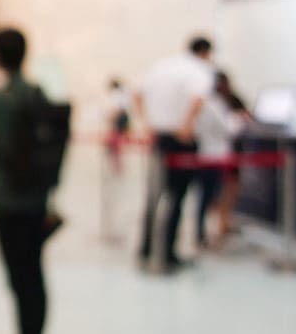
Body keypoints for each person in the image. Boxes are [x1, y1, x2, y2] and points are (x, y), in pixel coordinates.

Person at [0, 29, 52, 334]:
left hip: (7, 198)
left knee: (17, 273)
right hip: (37, 196)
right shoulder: (36, 92)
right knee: (33, 270)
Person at [135, 36, 214, 272]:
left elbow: (137, 93)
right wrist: (187, 126)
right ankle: (167, 253)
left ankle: (147, 248)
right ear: (204, 52)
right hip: (180, 139)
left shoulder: (162, 66)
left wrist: (146, 123)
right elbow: (198, 99)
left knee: (154, 196)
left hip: (159, 136)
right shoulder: (198, 70)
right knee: (176, 197)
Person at [193, 71, 248, 248]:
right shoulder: (212, 104)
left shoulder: (211, 103)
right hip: (213, 156)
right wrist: (239, 120)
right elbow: (228, 128)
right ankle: (203, 231)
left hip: (212, 154)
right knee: (210, 195)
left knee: (211, 194)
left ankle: (213, 228)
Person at [105, 78, 130, 175]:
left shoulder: (116, 94)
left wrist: (110, 119)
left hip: (120, 120)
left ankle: (117, 166)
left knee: (115, 144)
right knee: (117, 144)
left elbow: (117, 109)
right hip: (123, 119)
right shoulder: (123, 93)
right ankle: (118, 165)